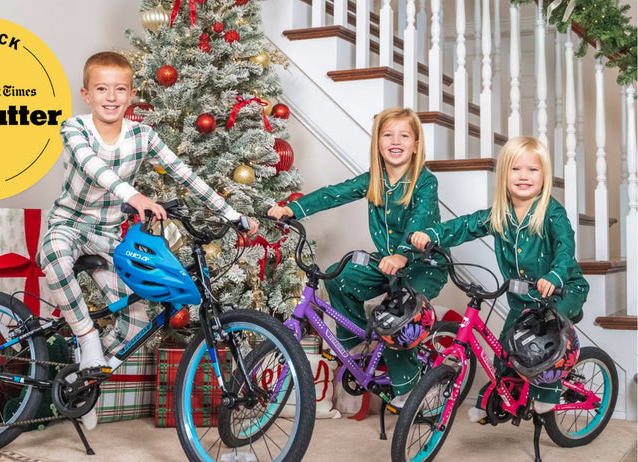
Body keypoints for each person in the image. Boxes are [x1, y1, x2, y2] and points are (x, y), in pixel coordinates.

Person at [38, 51, 258, 430]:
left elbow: (184, 174)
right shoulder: (74, 128)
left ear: (131, 94)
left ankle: (85, 380)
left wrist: (231, 215)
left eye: (120, 89)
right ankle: (87, 339)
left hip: (107, 235)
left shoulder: (143, 135)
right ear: (86, 94)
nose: (111, 97)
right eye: (102, 89)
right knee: (53, 253)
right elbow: (94, 167)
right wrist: (133, 196)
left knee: (138, 319)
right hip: (70, 224)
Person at [267, 107, 448, 407]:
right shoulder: (373, 179)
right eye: (387, 134)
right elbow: (334, 193)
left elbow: (419, 222)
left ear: (416, 145)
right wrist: (292, 209)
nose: (395, 141)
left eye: (404, 135)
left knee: (398, 316)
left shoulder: (425, 182)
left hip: (423, 264)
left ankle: (411, 389)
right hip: (389, 261)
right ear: (377, 142)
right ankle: (356, 347)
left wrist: (403, 256)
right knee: (341, 276)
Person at [410, 135, 589, 422]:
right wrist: (431, 234)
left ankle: (547, 393)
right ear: (504, 174)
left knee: (549, 336)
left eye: (533, 170)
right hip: (522, 298)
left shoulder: (552, 213)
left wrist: (554, 275)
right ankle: (495, 399)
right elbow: (464, 225)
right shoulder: (499, 215)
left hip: (563, 290)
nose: (524, 176)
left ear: (545, 176)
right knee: (505, 349)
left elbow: (565, 249)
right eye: (516, 169)